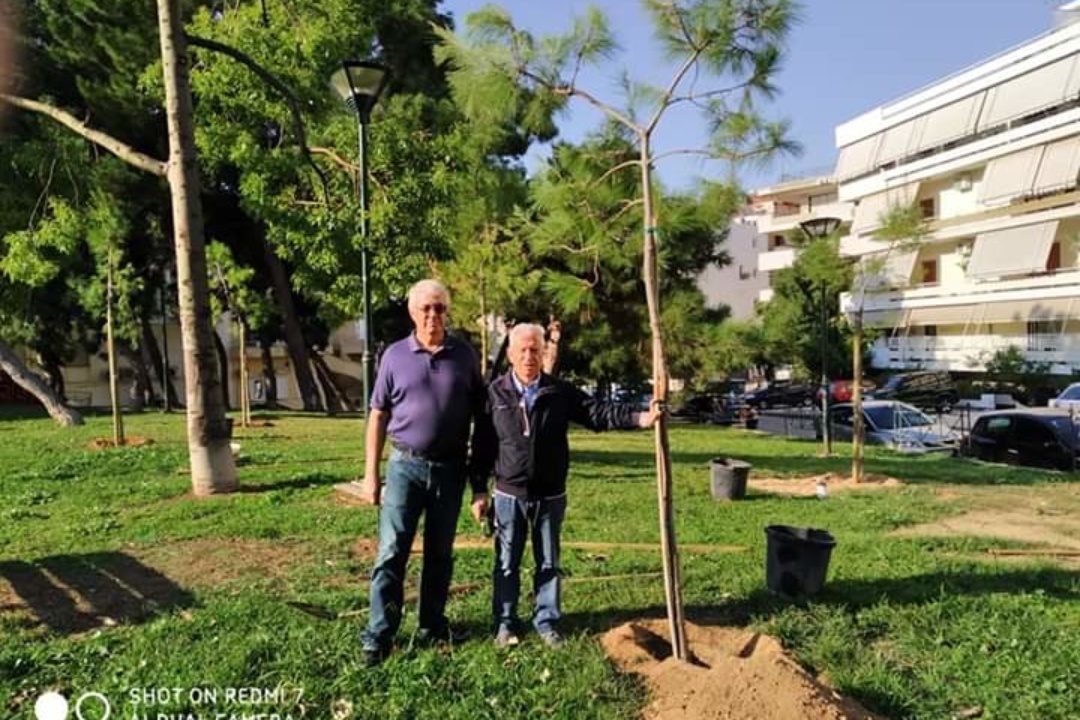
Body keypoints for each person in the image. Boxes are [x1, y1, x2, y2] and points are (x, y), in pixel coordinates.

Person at [472, 323, 660, 648]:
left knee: (549, 562)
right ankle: (505, 622)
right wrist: (478, 489)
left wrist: (639, 418)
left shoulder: (559, 392)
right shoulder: (495, 393)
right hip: (508, 494)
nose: (529, 356)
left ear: (543, 353)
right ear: (512, 354)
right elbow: (483, 446)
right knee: (506, 562)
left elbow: (596, 412)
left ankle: (547, 621)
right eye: (523, 350)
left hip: (550, 494)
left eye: (535, 350)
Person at [359, 279, 487, 666]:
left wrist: (479, 484)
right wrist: (370, 474)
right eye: (426, 309)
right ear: (413, 313)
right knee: (391, 551)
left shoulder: (465, 356)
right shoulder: (394, 356)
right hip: (404, 468)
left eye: (440, 308)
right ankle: (379, 635)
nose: (433, 315)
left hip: (451, 469)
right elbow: (378, 414)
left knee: (439, 554)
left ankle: (432, 624)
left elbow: (482, 419)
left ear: (447, 311)